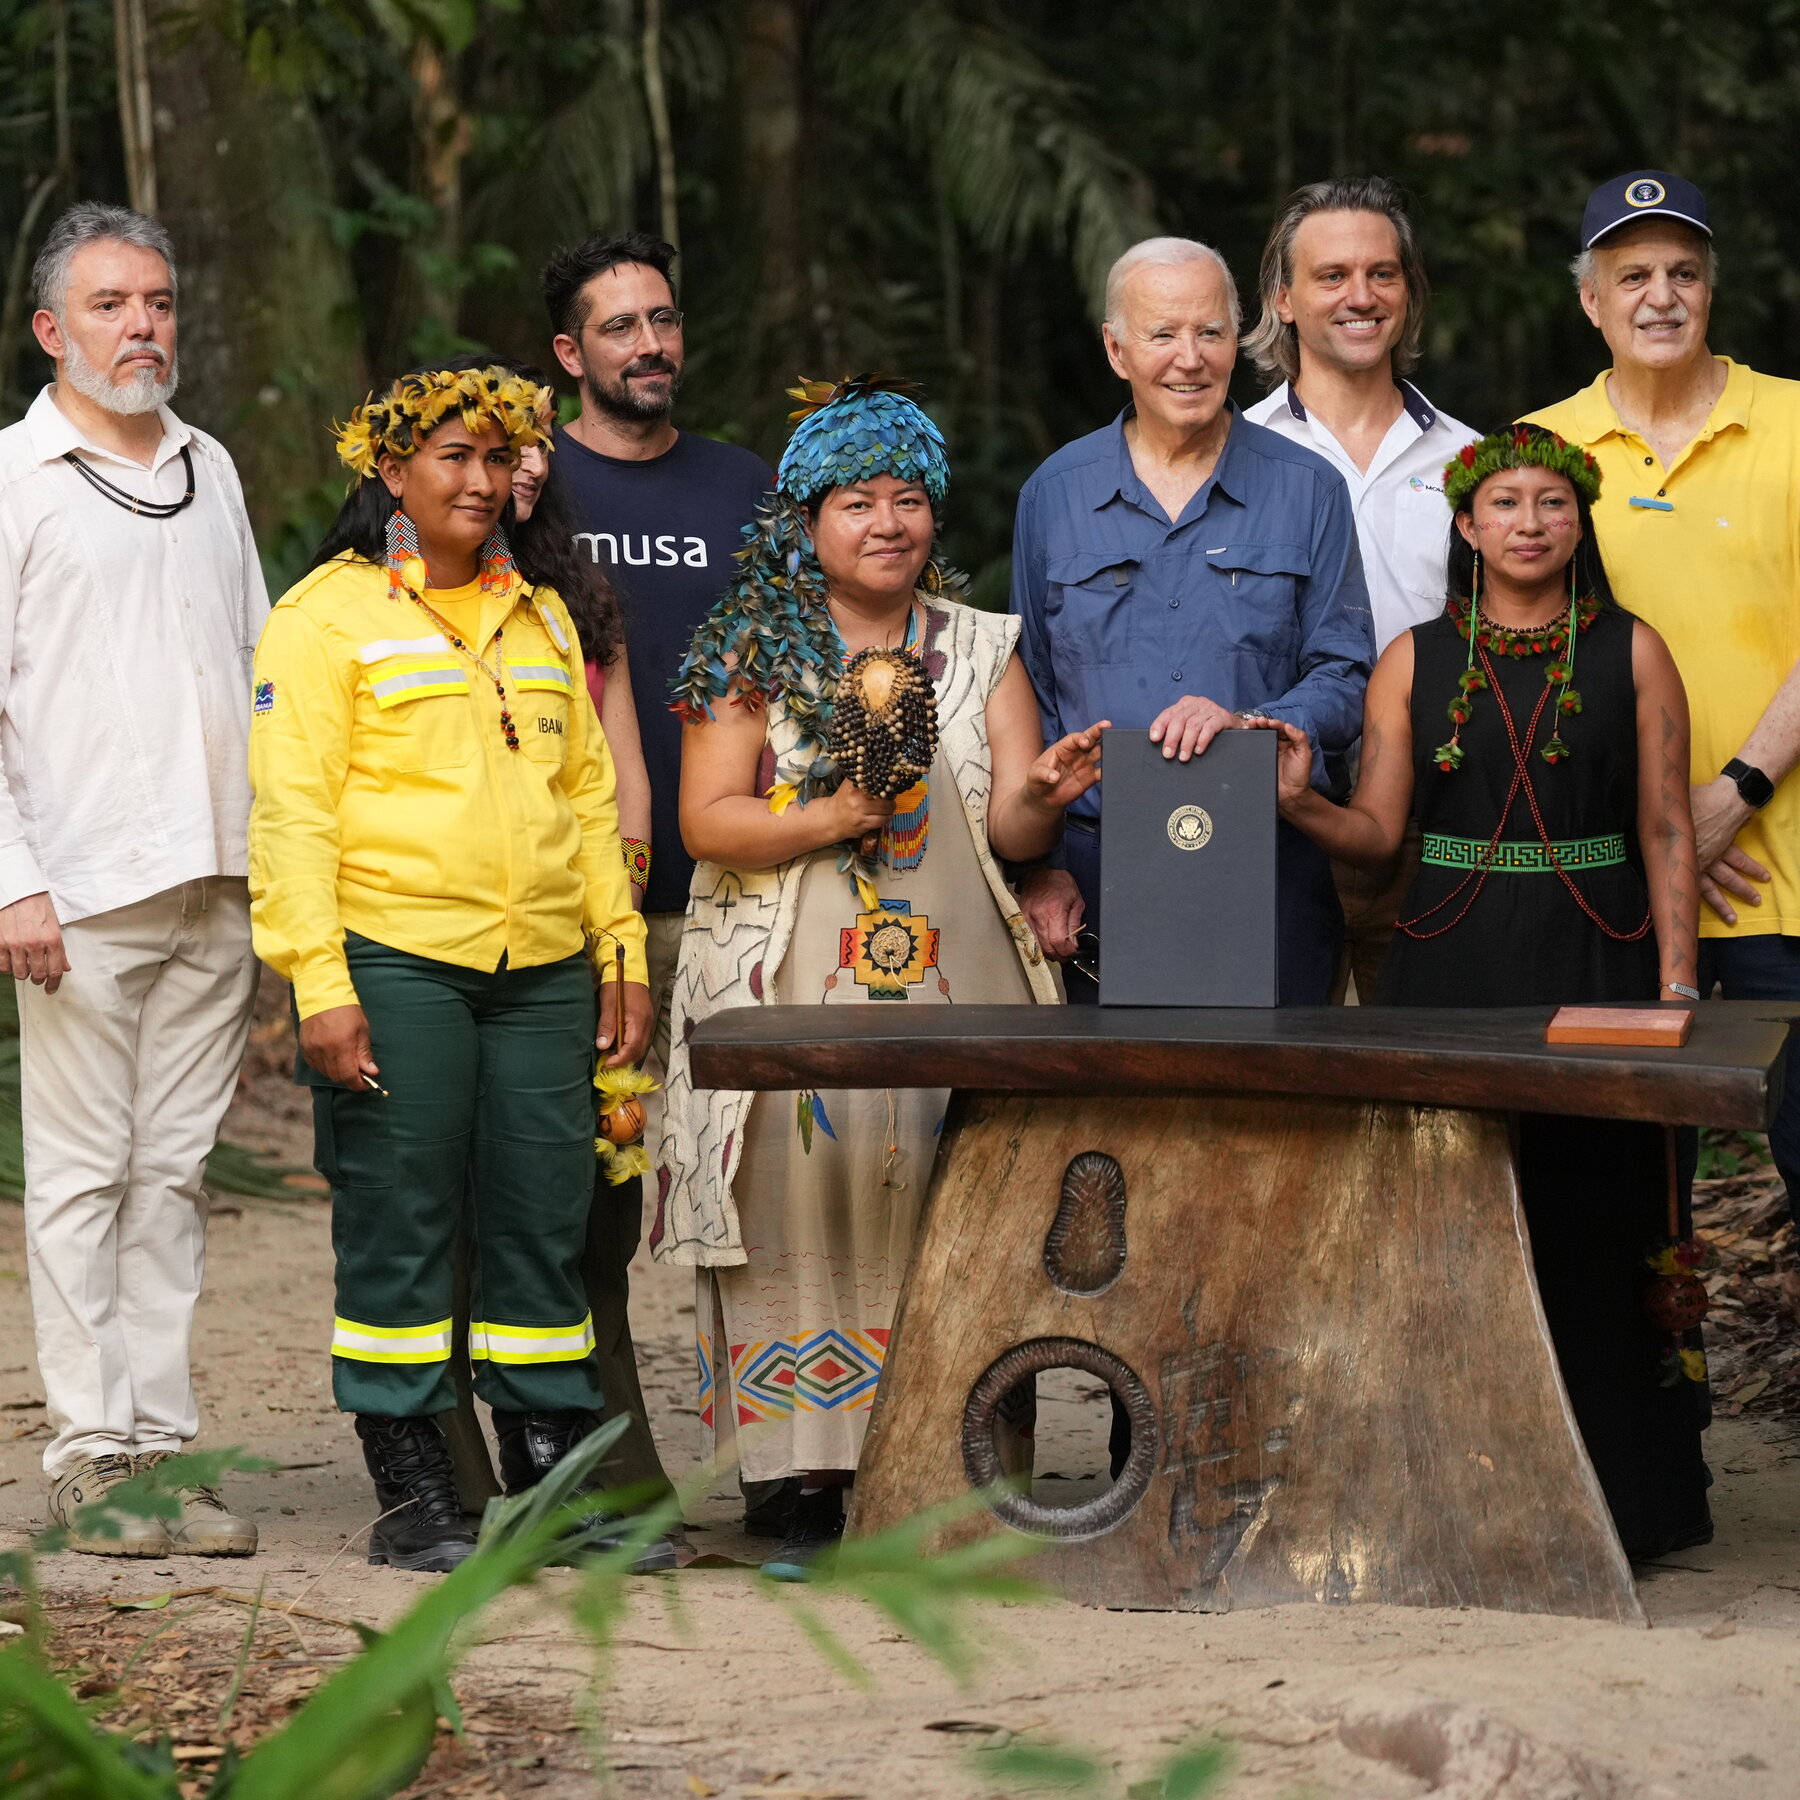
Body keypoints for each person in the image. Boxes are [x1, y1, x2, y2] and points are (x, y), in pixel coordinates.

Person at [657, 377, 1106, 1579]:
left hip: (956, 965)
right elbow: (708, 820)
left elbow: (1011, 829)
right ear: (807, 521)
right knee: (802, 1197)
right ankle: (806, 1482)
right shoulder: (748, 651)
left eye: (909, 500)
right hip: (793, 966)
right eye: (859, 503)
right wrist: (830, 817)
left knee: (951, 1195)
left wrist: (1045, 795)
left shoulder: (984, 647)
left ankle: (953, 1460)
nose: (889, 524)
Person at [1257, 424, 1709, 1558]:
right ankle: (1454, 1498)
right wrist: (1304, 801)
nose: (1528, 523)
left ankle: (1627, 1507)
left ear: (1578, 522)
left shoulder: (1634, 650)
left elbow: (1663, 822)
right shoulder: (1415, 657)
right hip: (1451, 962)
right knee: (1451, 1220)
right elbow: (1375, 838)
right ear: (1467, 527)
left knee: (1600, 1216)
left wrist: (1677, 979)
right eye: (1504, 504)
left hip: (1600, 953)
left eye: (1551, 503)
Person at [248, 365, 651, 1572]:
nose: (480, 481)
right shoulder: (323, 618)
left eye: (495, 459)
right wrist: (318, 983)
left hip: (542, 970)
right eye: (452, 460)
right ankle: (415, 1489)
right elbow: (292, 818)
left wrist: (619, 950)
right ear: (393, 474)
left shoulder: (540, 616)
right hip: (397, 962)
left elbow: (585, 799)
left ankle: (557, 1487)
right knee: (402, 1220)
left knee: (545, 1218)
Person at [0, 203, 265, 1556]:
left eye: (157, 300)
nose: (142, 326)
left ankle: (164, 1456)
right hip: (80, 887)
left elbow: (257, 663)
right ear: (52, 330)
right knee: (81, 1178)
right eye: (110, 305)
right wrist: (11, 882)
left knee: (172, 1177)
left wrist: (278, 866)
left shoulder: (209, 464)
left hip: (218, 873)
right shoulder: (13, 479)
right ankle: (90, 1454)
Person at [540, 230, 781, 1530]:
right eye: (621, 327)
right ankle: (604, 1444)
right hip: (594, 908)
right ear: (571, 355)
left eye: (665, 321)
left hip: (739, 896)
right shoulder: (534, 487)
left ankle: (789, 1443)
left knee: (742, 1174)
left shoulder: (744, 483)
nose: (651, 346)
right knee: (599, 1181)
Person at [1525, 171, 1800, 1232]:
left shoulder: (1789, 421)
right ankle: (1652, 1402)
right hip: (1618, 873)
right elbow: (1528, 661)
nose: (1661, 295)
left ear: (1712, 290)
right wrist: (1661, 825)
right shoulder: (1540, 446)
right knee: (1631, 1179)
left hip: (1784, 868)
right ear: (1590, 300)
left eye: (1684, 272)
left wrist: (1730, 793)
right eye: (1631, 273)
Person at [1011, 237, 1375, 1004]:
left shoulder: (1308, 488)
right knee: (1106, 1117)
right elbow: (1030, 690)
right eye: (1163, 334)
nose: (1191, 358)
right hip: (1094, 873)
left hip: (1268, 858)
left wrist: (1254, 724)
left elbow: (1345, 673)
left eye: (1210, 333)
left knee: (1279, 1110)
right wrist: (1036, 868)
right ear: (1116, 350)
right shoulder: (1055, 493)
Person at [1243, 178, 1479, 1002]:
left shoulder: (1471, 463)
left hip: (1435, 826)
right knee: (1272, 1094)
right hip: (1265, 817)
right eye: (1332, 275)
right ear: (1284, 297)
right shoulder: (1233, 458)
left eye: (1383, 274)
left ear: (1408, 294)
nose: (1360, 296)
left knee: (1439, 1091)